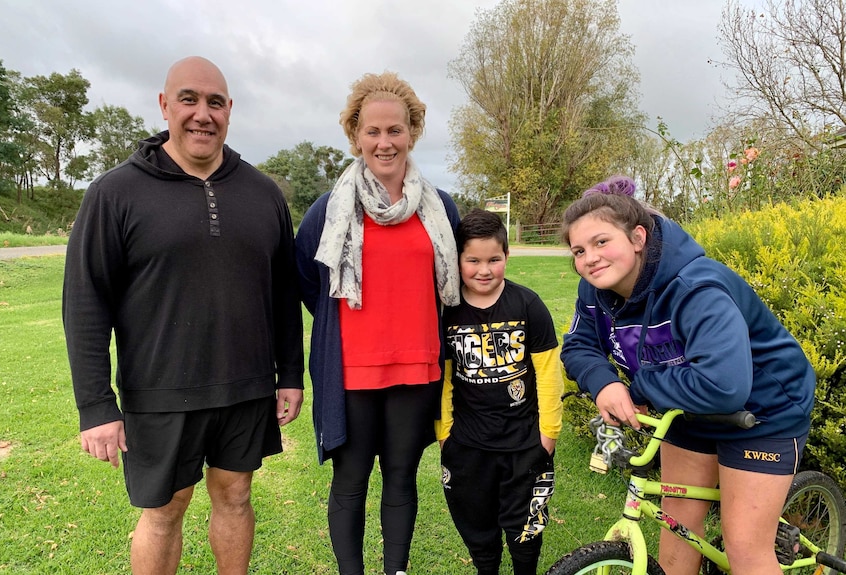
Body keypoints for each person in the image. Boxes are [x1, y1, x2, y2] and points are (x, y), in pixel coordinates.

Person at [62, 56, 304, 575]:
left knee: (236, 496)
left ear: (230, 110)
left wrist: (290, 375)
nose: (202, 114)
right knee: (164, 512)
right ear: (164, 105)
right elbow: (85, 301)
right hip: (159, 390)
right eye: (189, 99)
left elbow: (283, 293)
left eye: (215, 102)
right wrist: (96, 406)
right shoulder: (116, 192)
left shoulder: (263, 194)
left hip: (245, 386)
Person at [560, 175, 816, 575]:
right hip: (684, 407)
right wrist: (605, 382)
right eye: (578, 250)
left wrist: (643, 384)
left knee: (745, 548)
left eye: (601, 242)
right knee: (677, 531)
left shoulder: (696, 288)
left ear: (638, 237)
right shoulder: (593, 290)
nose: (589, 258)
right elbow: (578, 345)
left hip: (762, 412)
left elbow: (725, 387)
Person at [295, 71, 460, 575]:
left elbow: (449, 286)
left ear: (412, 132)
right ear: (355, 135)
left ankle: (396, 570)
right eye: (373, 131)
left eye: (395, 130)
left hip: (416, 369)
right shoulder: (329, 210)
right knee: (349, 481)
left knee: (402, 478)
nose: (384, 142)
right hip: (351, 372)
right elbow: (308, 279)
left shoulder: (439, 208)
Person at [436, 208, 563, 575]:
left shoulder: (528, 306)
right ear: (457, 259)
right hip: (467, 445)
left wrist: (548, 436)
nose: (484, 270)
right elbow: (442, 381)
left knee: (526, 529)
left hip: (524, 444)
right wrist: (444, 435)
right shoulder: (447, 312)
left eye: (494, 259)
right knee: (477, 528)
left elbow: (548, 376)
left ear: (507, 255)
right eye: (472, 260)